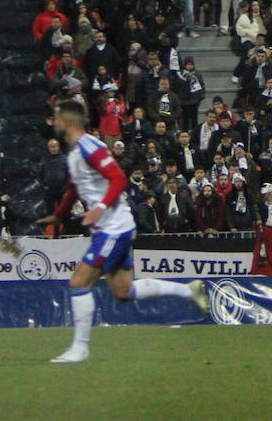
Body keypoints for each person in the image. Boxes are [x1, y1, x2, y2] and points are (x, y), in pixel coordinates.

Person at [38, 101, 209, 363]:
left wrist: (100, 209)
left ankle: (80, 349)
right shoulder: (74, 153)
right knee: (123, 291)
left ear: (67, 122)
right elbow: (75, 188)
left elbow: (118, 177)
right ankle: (188, 291)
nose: (54, 122)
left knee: (79, 282)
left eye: (58, 118)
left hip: (113, 228)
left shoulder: (90, 147)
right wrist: (59, 215)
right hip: (108, 229)